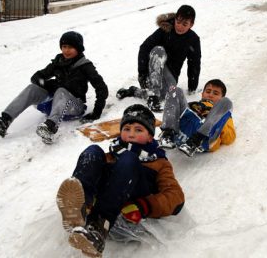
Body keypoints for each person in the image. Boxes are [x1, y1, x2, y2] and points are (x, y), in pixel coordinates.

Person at [56, 104, 184, 257]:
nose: (131, 134)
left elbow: (176, 196)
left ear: (150, 136)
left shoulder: (159, 162)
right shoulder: (112, 154)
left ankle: (99, 225)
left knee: (129, 158)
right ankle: (81, 208)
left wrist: (145, 206)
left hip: (130, 208)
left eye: (138, 130)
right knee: (93, 151)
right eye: (126, 129)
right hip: (104, 199)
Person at [0, 31, 108, 144]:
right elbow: (37, 77)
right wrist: (46, 84)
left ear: (78, 48)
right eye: (64, 47)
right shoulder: (58, 62)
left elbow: (101, 88)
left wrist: (96, 112)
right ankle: (4, 122)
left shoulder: (85, 66)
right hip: (54, 105)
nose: (66, 50)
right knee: (32, 88)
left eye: (70, 47)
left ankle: (50, 128)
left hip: (74, 107)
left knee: (61, 91)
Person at [116, 5, 201, 112]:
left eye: (185, 24)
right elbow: (145, 47)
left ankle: (134, 91)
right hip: (153, 72)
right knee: (158, 50)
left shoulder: (193, 39)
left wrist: (192, 87)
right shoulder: (164, 30)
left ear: (191, 24)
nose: (179, 26)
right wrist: (142, 73)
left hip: (171, 75)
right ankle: (152, 95)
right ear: (175, 19)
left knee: (164, 95)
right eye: (178, 22)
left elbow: (194, 63)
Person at [158, 79, 236, 157]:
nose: (210, 95)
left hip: (204, 139)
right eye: (208, 92)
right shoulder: (192, 105)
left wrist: (221, 123)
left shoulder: (222, 114)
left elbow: (229, 138)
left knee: (227, 102)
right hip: (182, 131)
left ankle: (195, 141)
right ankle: (167, 135)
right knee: (175, 90)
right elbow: (174, 113)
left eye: (215, 93)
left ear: (221, 98)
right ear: (202, 94)